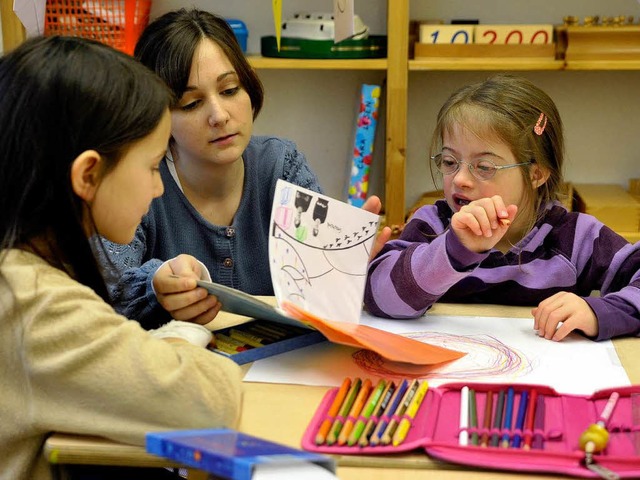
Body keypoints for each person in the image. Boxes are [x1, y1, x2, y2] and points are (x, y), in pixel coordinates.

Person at [0, 35, 243, 480]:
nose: (156, 187)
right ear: (89, 174)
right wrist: (178, 338)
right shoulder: (31, 301)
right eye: (152, 167)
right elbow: (210, 402)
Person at [102, 7, 389, 331]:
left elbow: (321, 291)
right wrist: (156, 285)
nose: (219, 115)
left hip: (282, 371)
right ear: (159, 116)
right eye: (191, 103)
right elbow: (107, 292)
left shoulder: (283, 165)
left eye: (229, 90)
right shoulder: (143, 183)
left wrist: (347, 269)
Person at [364, 74, 640, 342]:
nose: (459, 179)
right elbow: (380, 298)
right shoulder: (433, 225)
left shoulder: (575, 237)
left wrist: (596, 312)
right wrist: (455, 251)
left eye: (484, 167)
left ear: (536, 174)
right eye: (449, 162)